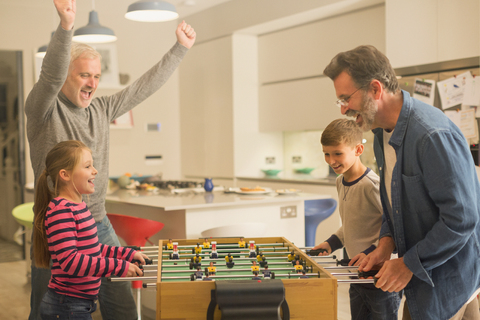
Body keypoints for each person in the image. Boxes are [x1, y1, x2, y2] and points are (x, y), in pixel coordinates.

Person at [25, 1, 196, 319]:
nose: (92, 83)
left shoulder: (101, 110)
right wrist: (66, 26)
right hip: (56, 226)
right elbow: (49, 76)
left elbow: (142, 88)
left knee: (122, 309)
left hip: (97, 223)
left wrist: (180, 49)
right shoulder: (43, 109)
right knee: (47, 311)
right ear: (66, 74)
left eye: (97, 76)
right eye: (84, 75)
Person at [323, 45, 480, 320]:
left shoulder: (432, 135)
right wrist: (385, 244)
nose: (344, 108)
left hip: (449, 282)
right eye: (340, 101)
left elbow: (461, 219)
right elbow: (395, 205)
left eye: (346, 98)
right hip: (426, 279)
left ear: (375, 89)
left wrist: (407, 264)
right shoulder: (380, 133)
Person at [33, 140, 148, 319]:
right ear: (65, 174)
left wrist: (126, 254)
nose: (95, 171)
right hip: (67, 306)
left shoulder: (80, 206)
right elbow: (70, 261)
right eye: (88, 166)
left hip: (78, 304)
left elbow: (93, 248)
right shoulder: (61, 211)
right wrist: (118, 267)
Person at [312, 118, 401, 319]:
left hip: (380, 277)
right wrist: (329, 244)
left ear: (358, 150)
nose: (331, 160)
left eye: (338, 153)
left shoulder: (371, 185)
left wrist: (371, 251)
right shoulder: (340, 182)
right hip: (356, 276)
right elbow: (351, 225)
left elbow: (394, 227)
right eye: (326, 153)